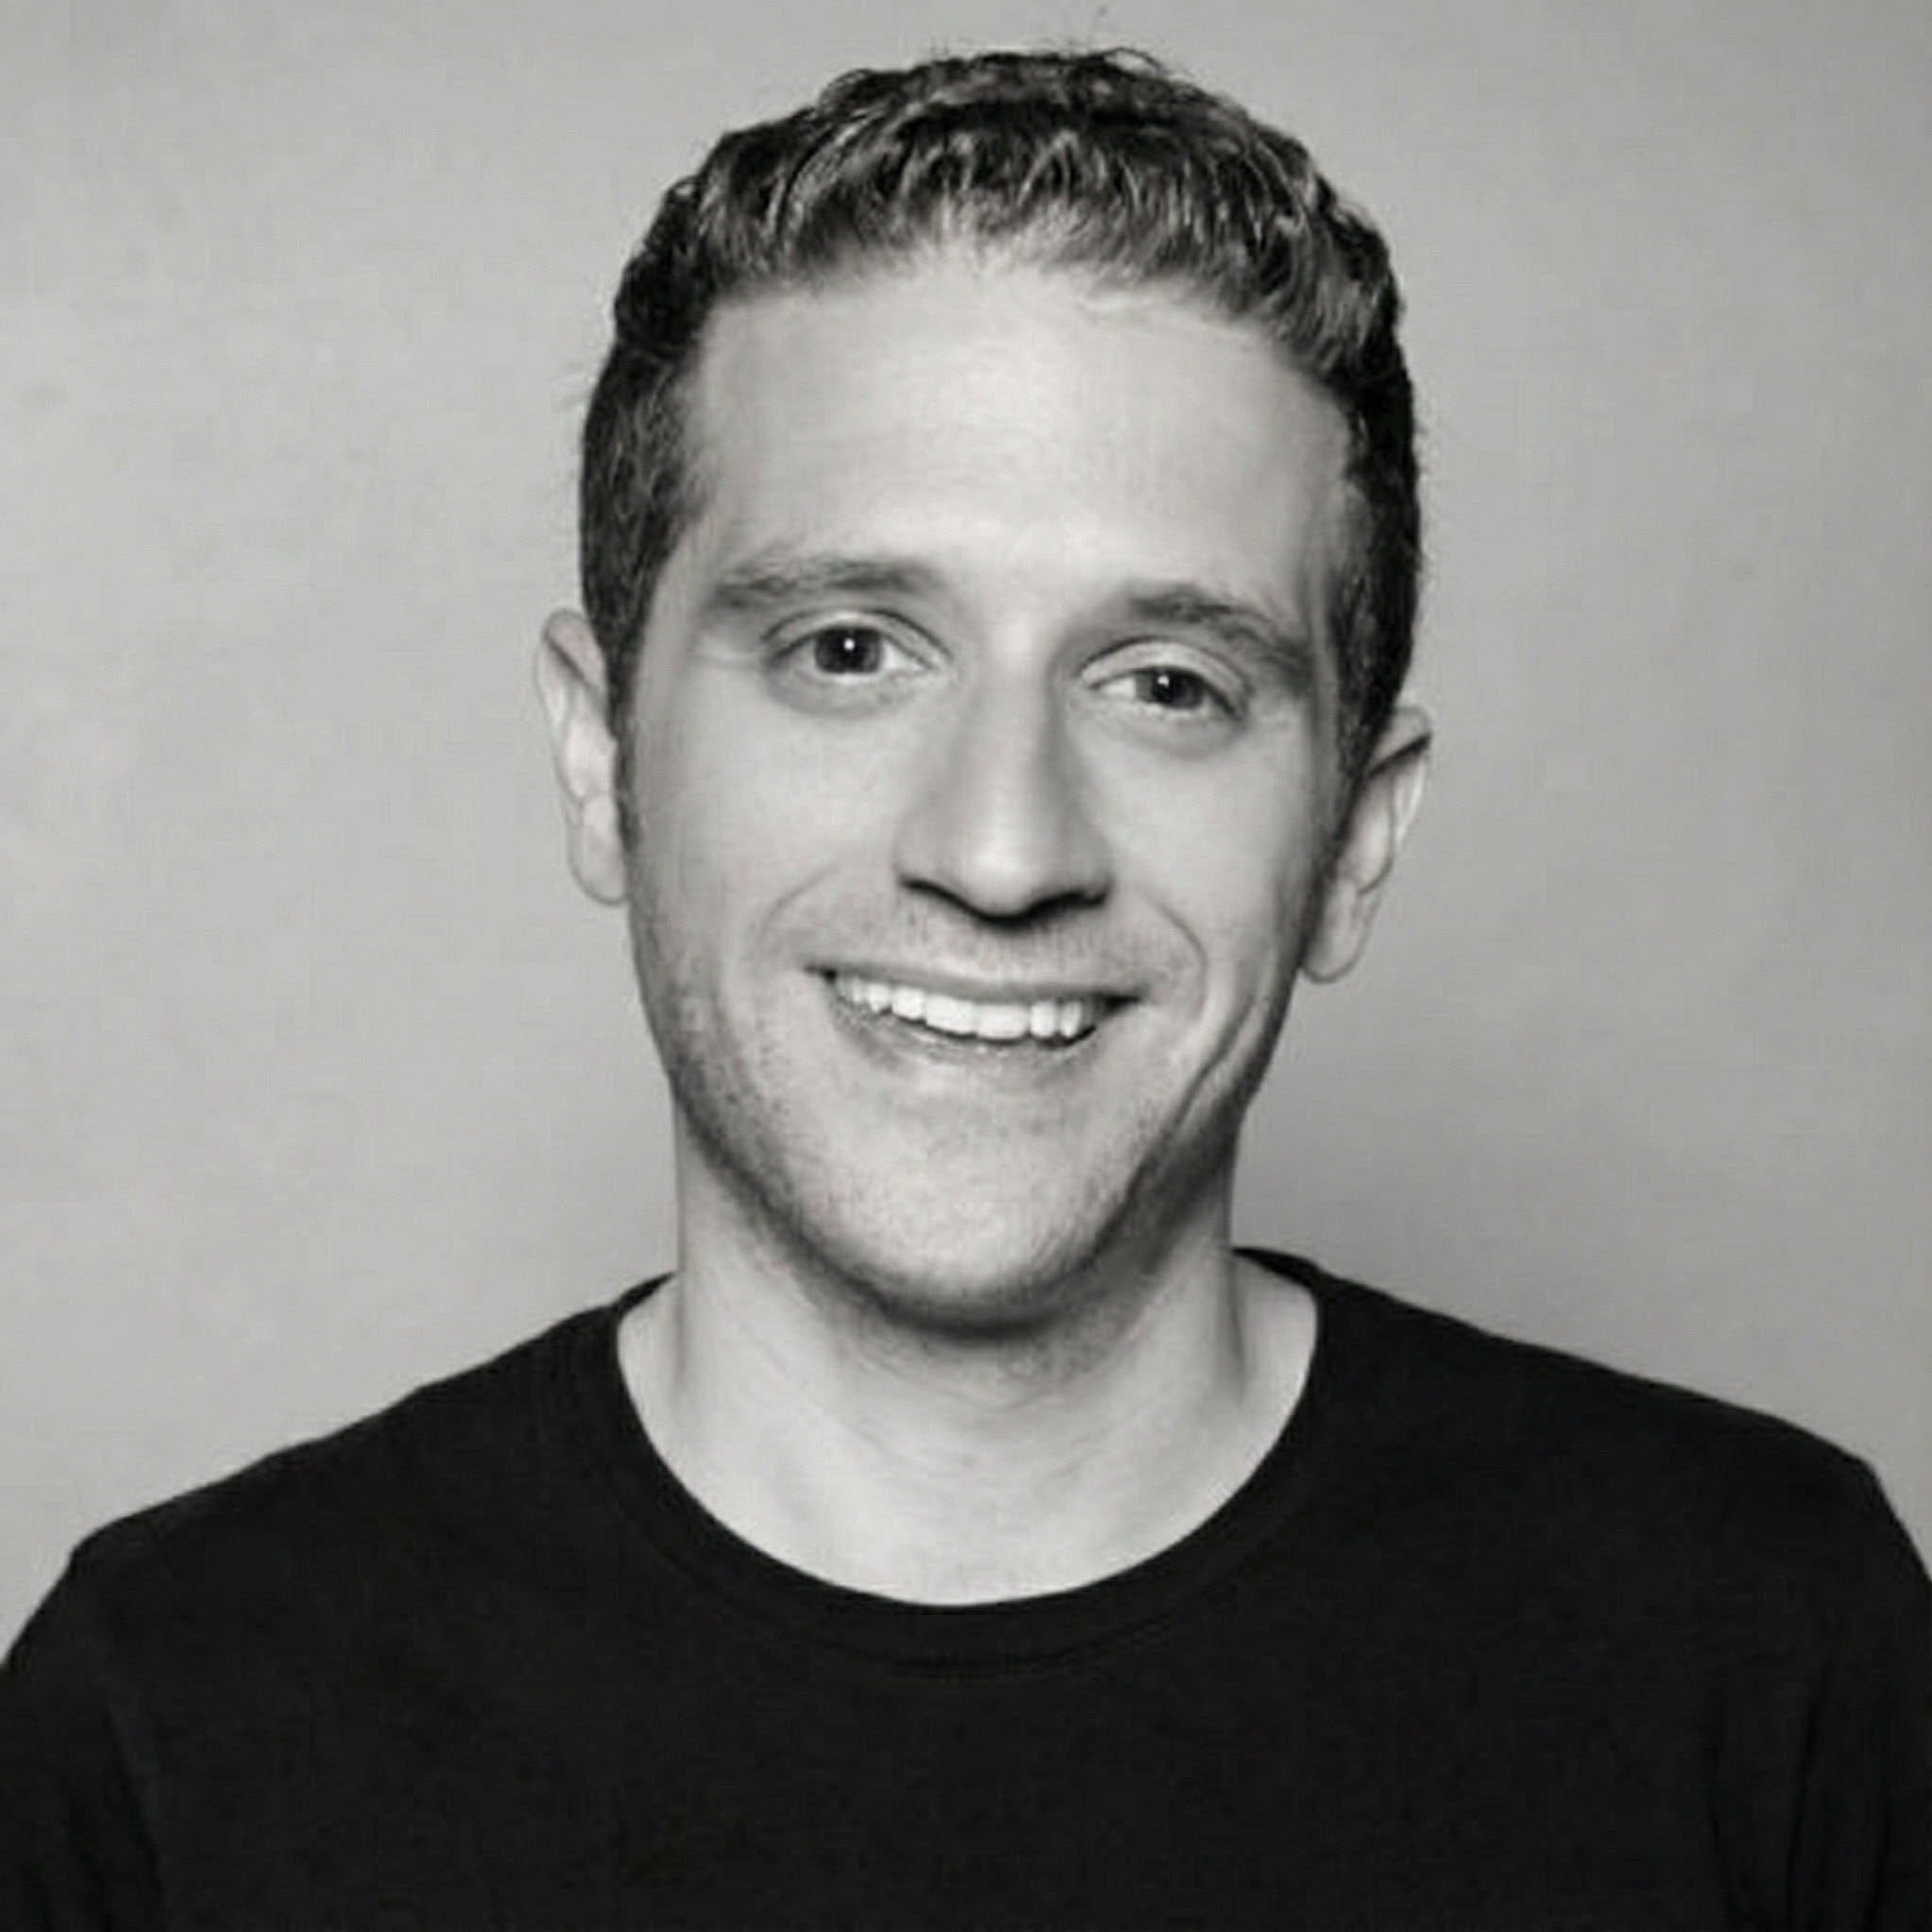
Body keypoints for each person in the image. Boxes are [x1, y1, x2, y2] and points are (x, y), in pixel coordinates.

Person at [3, 46, 1925, 1931]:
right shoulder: (168, 1724)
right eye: (850, 649)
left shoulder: (1775, 1657)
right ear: (602, 758)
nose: (1002, 850)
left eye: (1167, 684)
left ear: (1354, 834)